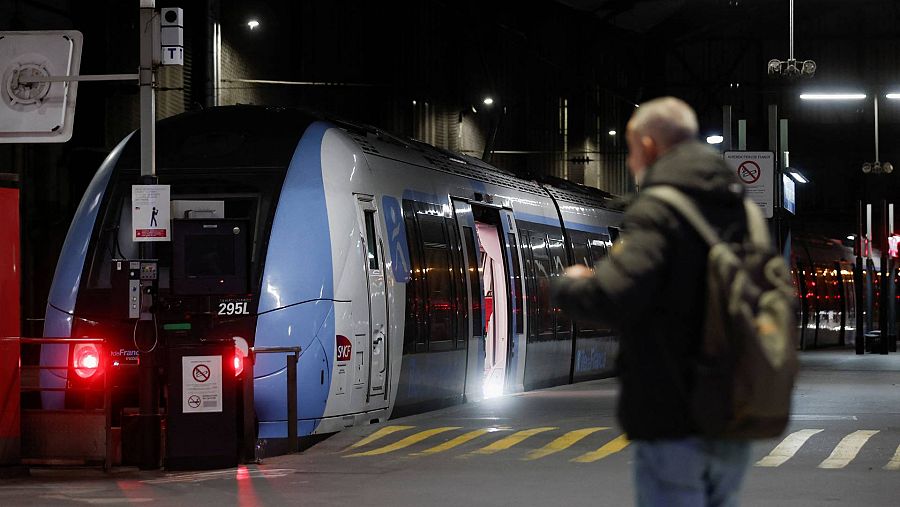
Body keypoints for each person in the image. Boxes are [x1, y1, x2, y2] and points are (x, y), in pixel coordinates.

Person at [553, 97, 751, 507]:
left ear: (648, 144)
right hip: (733, 409)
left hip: (674, 410)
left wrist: (568, 285)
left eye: (629, 150)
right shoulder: (738, 207)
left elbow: (612, 295)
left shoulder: (660, 210)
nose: (629, 162)